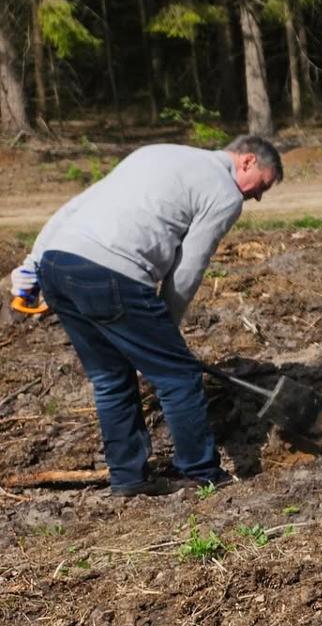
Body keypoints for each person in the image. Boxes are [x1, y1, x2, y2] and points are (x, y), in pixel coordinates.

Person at [8, 137, 281, 496]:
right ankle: (200, 473)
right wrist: (166, 328)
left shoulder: (157, 152)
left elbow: (74, 207)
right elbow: (188, 269)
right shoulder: (225, 192)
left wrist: (31, 267)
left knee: (110, 377)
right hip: (112, 272)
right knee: (179, 375)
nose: (257, 197)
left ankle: (129, 479)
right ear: (246, 161)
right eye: (261, 186)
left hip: (58, 265)